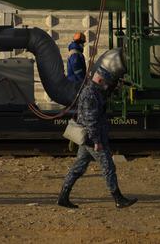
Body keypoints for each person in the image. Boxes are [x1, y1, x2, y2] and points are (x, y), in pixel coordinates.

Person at [57, 66, 135, 209]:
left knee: (78, 167)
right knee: (108, 167)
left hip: (89, 139)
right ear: (99, 79)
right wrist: (96, 142)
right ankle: (118, 199)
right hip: (93, 139)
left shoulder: (93, 91)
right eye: (105, 82)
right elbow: (90, 120)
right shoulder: (90, 94)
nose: (106, 85)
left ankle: (63, 196)